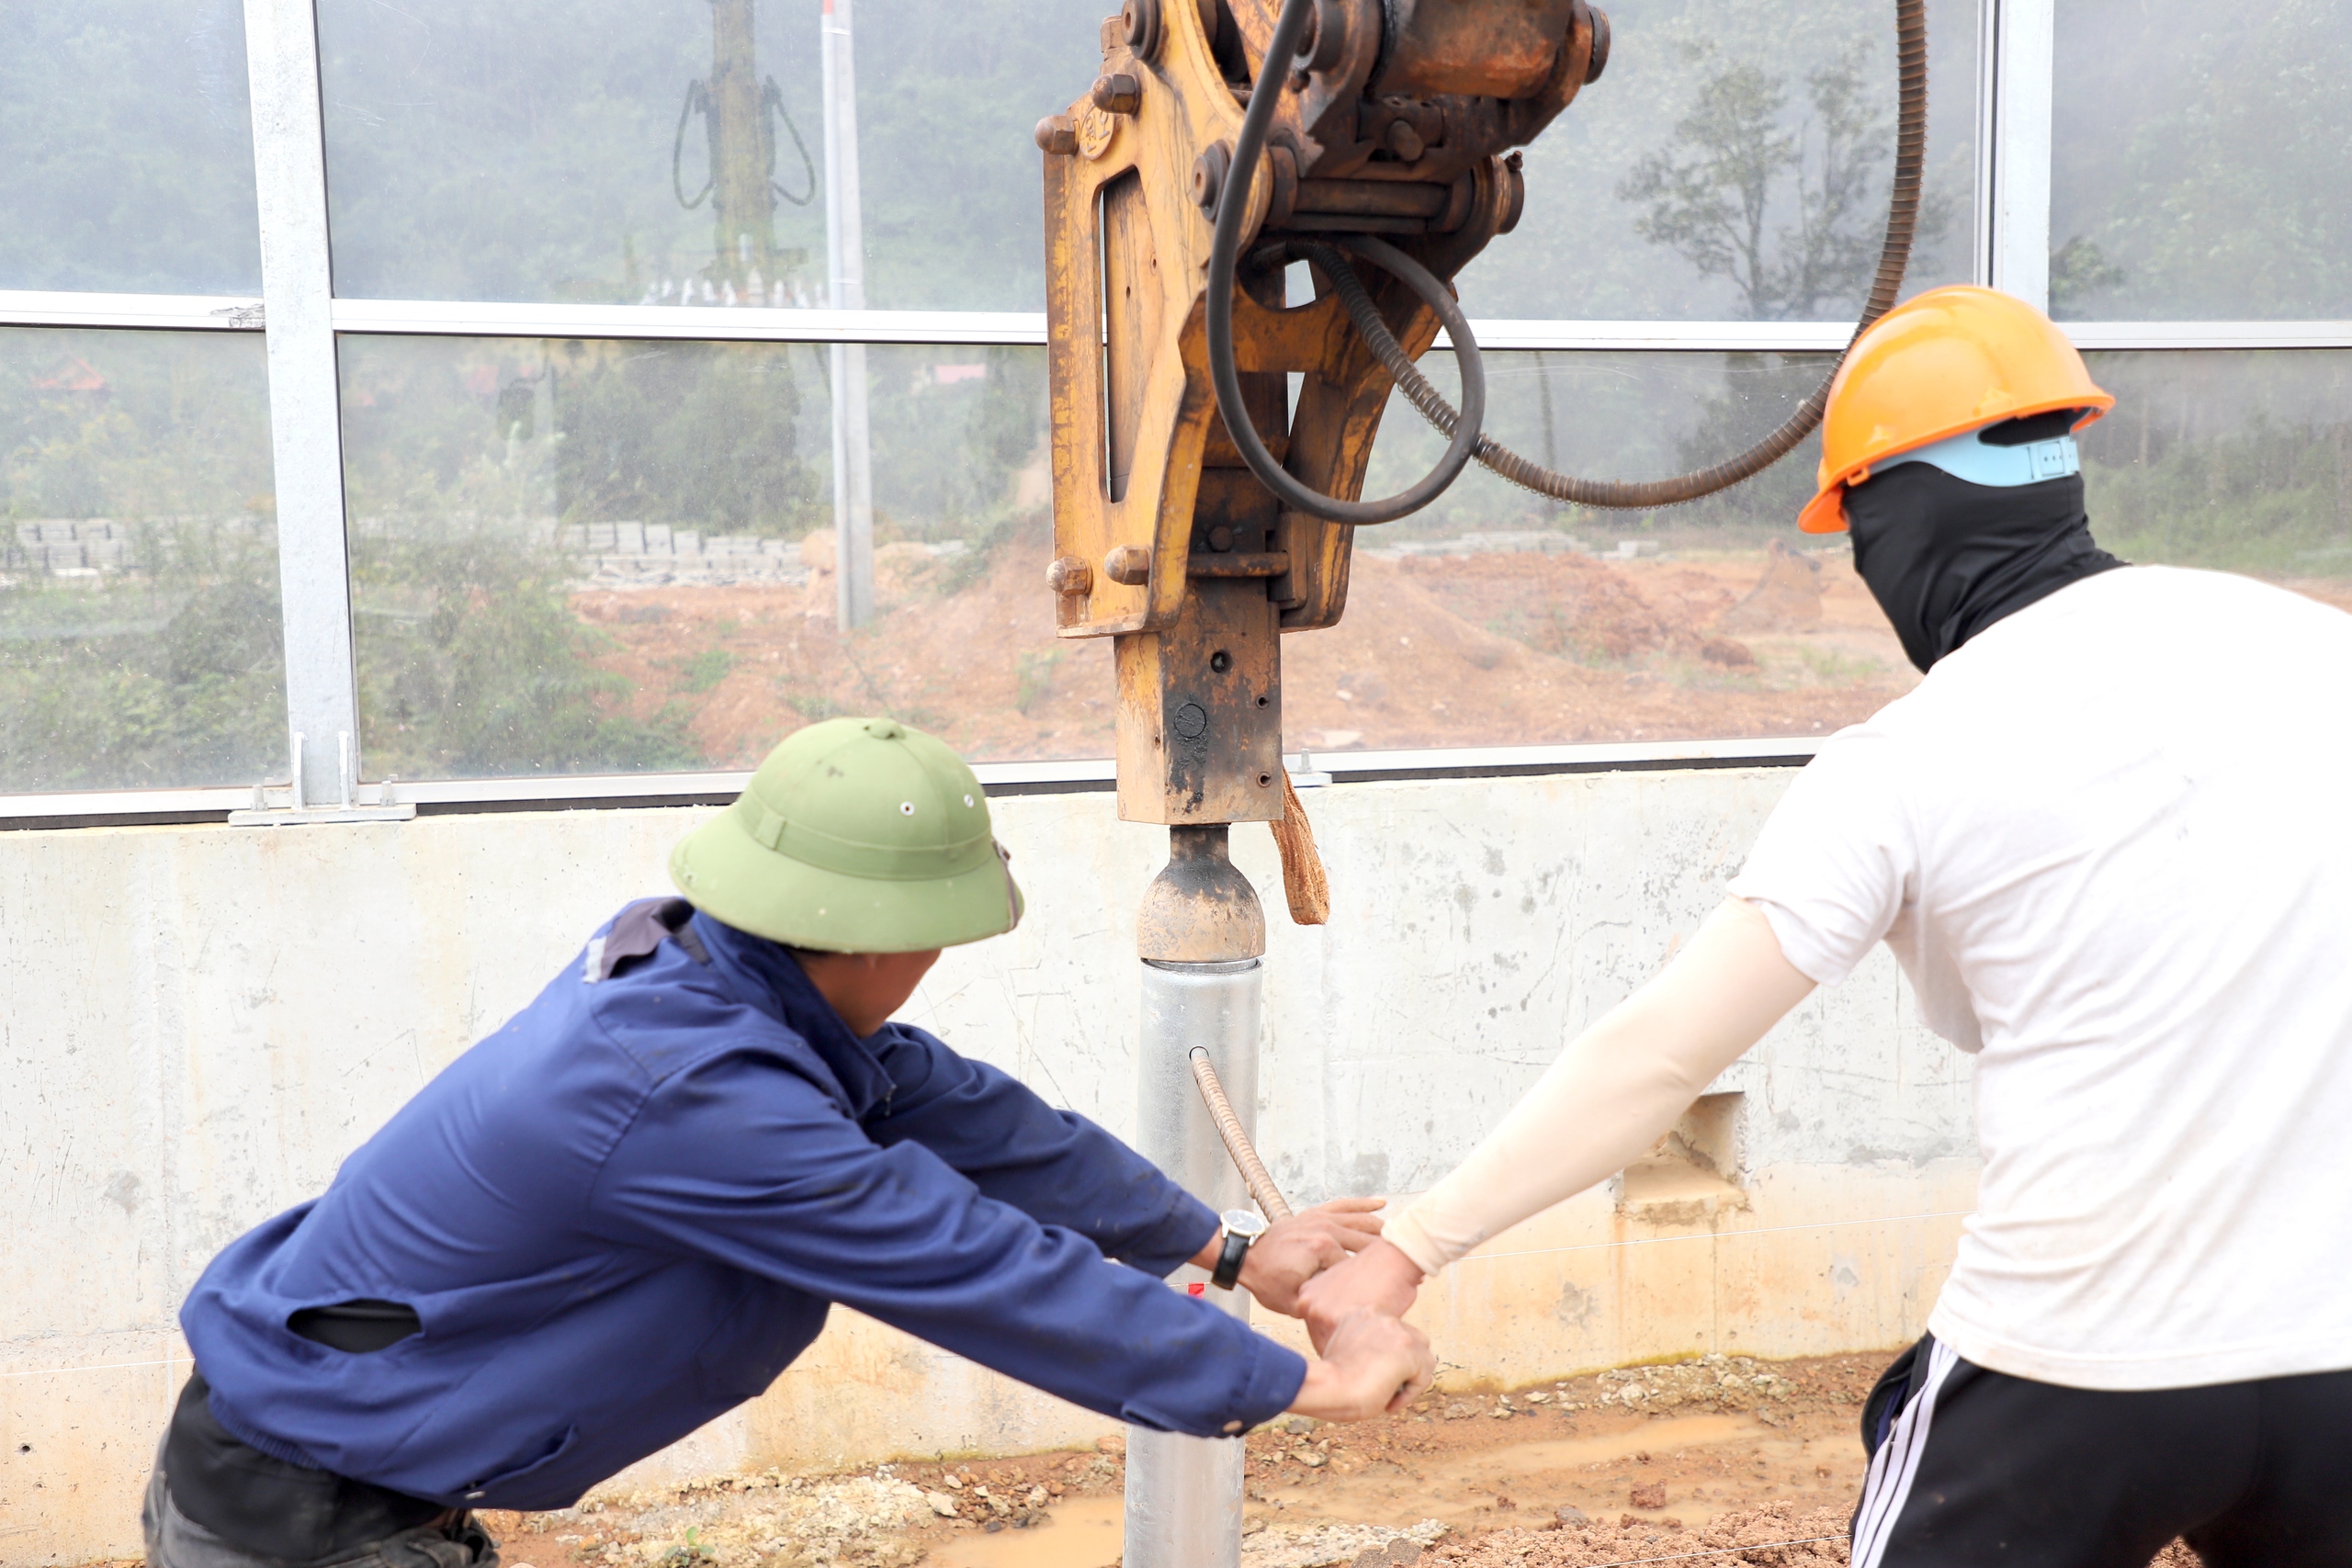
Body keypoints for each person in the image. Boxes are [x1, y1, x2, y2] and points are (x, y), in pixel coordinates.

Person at [1297, 286, 2352, 1566]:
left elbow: (1662, 1056)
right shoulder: (2317, 651)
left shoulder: (1908, 758)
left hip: (2071, 1360)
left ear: (1892, 520)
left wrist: (1407, 1250)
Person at [150, 716, 1431, 1568]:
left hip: (342, 1476)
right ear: (885, 935)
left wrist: (1222, 1245)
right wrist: (1300, 1384)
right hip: (297, 1519)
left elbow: (968, 1115)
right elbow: (969, 1266)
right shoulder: (696, 1093)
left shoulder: (718, 978)